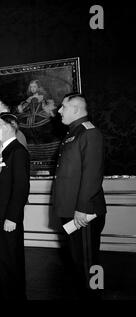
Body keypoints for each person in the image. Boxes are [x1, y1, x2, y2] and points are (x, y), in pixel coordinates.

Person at [53, 93, 107, 299]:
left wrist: (83, 208)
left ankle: (95, 296)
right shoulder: (72, 133)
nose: (59, 111)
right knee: (79, 261)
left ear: (75, 108)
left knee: (89, 262)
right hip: (72, 210)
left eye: (63, 107)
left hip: (84, 212)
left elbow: (92, 175)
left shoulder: (89, 133)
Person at [0, 112, 30, 300]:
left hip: (7, 218)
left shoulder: (18, 151)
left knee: (10, 262)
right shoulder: (2, 151)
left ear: (9, 126)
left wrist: (12, 217)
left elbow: (20, 188)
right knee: (0, 261)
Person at [15, 79, 57, 145]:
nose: (33, 89)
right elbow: (23, 109)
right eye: (31, 87)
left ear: (38, 87)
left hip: (40, 116)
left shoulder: (43, 97)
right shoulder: (29, 98)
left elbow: (48, 106)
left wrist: (48, 110)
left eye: (34, 87)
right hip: (30, 116)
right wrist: (24, 107)